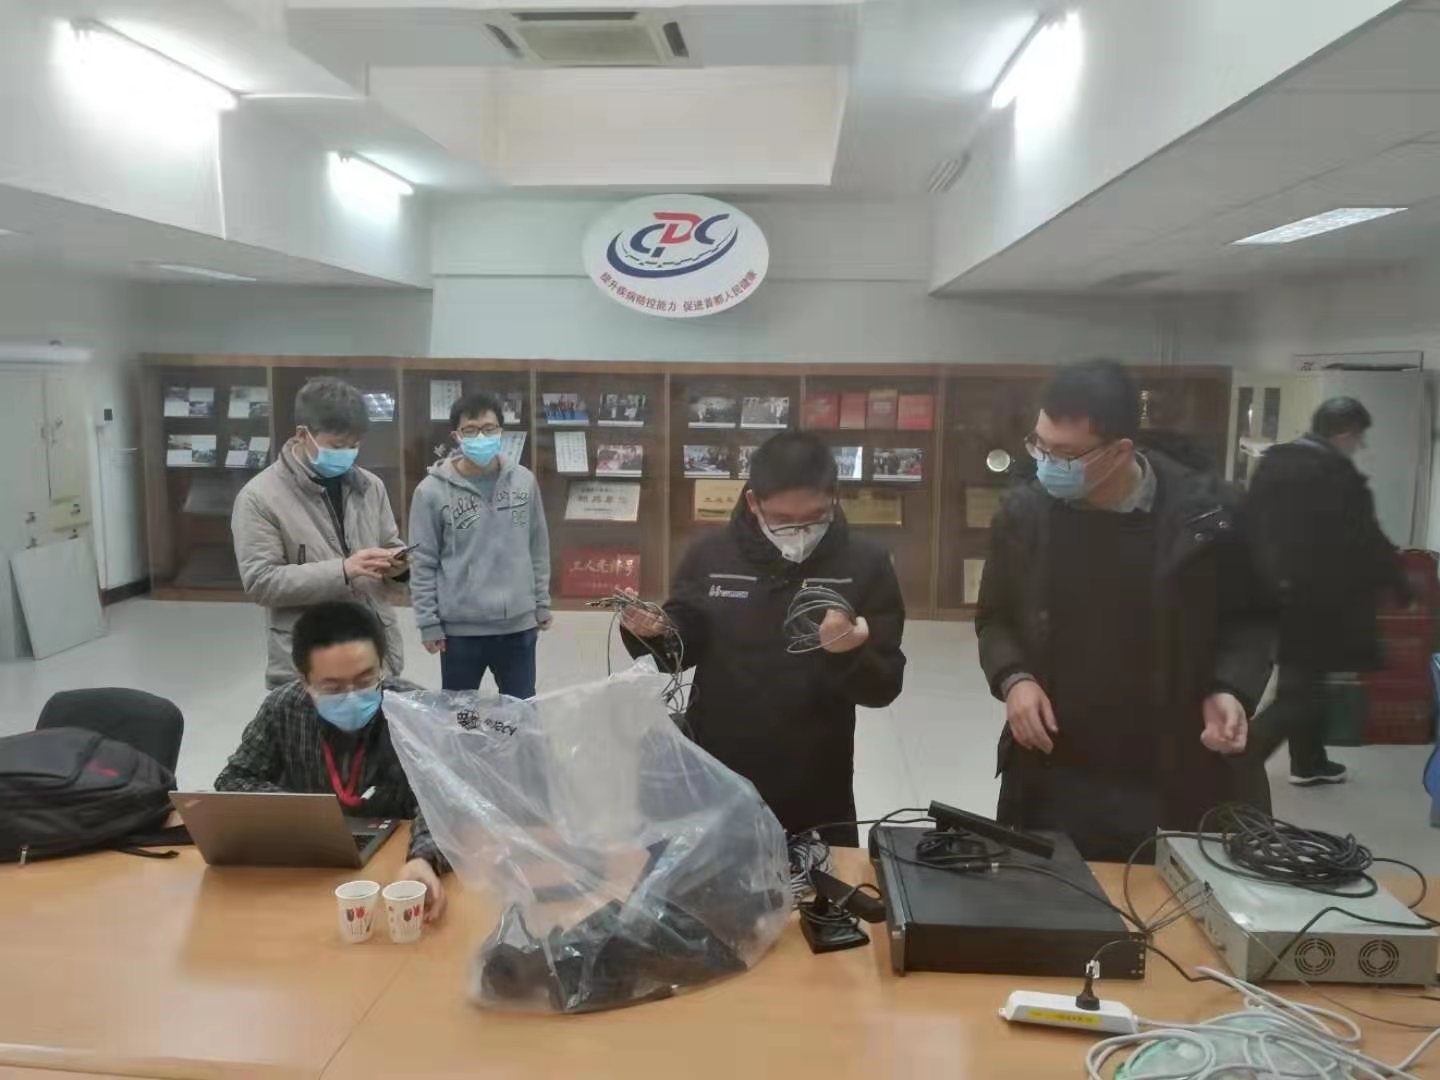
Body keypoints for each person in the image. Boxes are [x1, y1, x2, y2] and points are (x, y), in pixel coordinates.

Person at [976, 359, 1273, 861]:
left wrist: (1230, 687)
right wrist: (1015, 679)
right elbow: (995, 618)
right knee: (1056, 896)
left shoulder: (1210, 517)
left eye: (1065, 454)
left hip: (1176, 766)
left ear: (1119, 451)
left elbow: (1254, 618)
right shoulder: (1024, 516)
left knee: (1172, 901)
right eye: (1040, 445)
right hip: (1058, 766)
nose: (1047, 463)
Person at [620, 431, 906, 844]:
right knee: (717, 872)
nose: (800, 532)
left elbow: (883, 686)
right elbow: (679, 648)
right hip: (720, 766)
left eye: (815, 517)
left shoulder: (865, 564)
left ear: (835, 497)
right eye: (783, 519)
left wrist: (849, 653)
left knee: (819, 879)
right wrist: (655, 631)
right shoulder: (711, 555)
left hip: (816, 773)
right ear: (753, 502)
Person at [215, 601, 447, 919]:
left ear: (381, 665)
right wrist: (302, 814)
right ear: (305, 680)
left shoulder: (411, 710)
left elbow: (442, 800)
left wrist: (423, 857)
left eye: (365, 680)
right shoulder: (283, 708)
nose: (352, 696)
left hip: (394, 871)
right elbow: (234, 779)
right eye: (333, 687)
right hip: (307, 869)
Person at [1244, 397, 1410, 786]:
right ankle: (1235, 763)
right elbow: (1364, 537)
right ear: (1344, 434)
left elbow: (1249, 524)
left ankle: (1309, 763)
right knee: (1300, 693)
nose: (1359, 446)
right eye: (1359, 438)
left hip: (1273, 592)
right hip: (1317, 600)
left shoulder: (1274, 462)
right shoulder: (1334, 473)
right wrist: (1400, 584)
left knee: (1305, 682)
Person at [232, 377, 409, 688]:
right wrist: (343, 570)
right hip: (309, 663)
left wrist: (399, 569)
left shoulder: (370, 486)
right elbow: (261, 582)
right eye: (337, 446)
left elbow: (389, 544)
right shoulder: (259, 498)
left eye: (354, 445)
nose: (347, 454)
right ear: (303, 435)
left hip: (371, 653)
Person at [409, 391, 551, 697]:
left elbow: (538, 547)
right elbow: (422, 562)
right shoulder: (430, 492)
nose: (481, 437)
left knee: (521, 712)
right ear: (456, 436)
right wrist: (427, 622)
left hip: (518, 626)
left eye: (489, 428)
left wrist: (541, 602)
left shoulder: (524, 481)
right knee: (460, 715)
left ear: (501, 431)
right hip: (460, 631)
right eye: (471, 430)